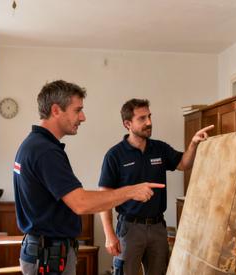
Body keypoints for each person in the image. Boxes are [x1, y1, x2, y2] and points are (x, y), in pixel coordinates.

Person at [13, 80, 165, 275]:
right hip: (48, 257)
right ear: (56, 110)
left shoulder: (33, 144)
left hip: (45, 251)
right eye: (78, 110)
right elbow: (81, 203)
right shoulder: (45, 151)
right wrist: (131, 191)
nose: (82, 117)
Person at [99, 99, 213, 275]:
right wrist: (109, 235)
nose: (149, 122)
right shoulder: (114, 155)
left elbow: (183, 164)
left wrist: (193, 144)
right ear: (127, 124)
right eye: (142, 118)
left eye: (150, 116)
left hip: (158, 227)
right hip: (129, 228)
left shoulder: (159, 148)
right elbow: (104, 198)